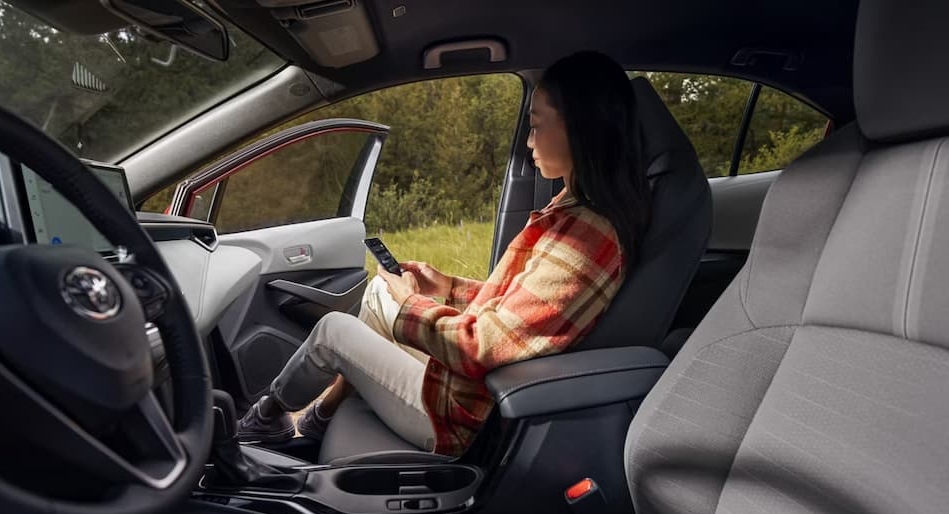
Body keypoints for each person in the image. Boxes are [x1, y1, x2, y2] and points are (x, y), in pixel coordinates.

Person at [237, 51, 652, 456]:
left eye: (536, 125)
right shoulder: (573, 211)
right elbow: (520, 309)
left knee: (332, 331)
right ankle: (320, 417)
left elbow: (483, 347)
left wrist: (411, 302)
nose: (528, 142)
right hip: (467, 386)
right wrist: (446, 287)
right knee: (379, 296)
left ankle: (266, 418)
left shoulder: (586, 239)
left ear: (579, 128)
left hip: (461, 416)